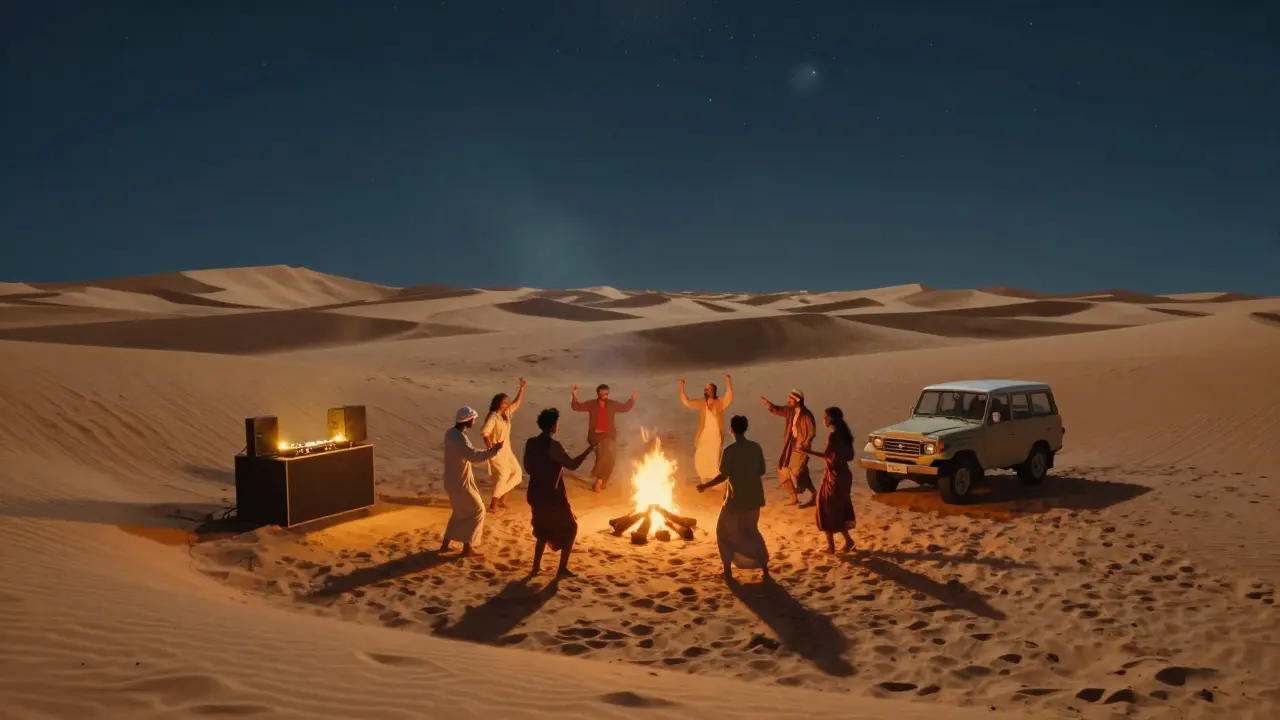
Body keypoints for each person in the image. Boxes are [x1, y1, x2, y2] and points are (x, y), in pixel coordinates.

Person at [523, 407, 595, 578]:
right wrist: (588, 450)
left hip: (535, 493)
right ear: (553, 425)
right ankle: (562, 568)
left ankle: (535, 568)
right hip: (551, 496)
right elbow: (572, 464)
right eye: (557, 422)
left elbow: (528, 467)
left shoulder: (531, 442)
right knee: (571, 527)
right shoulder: (553, 445)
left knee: (543, 530)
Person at [697, 415, 770, 582]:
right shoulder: (755, 447)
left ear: (731, 429)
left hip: (735, 500)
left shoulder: (729, 450)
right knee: (752, 532)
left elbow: (723, 475)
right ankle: (765, 569)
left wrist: (705, 485)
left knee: (724, 533)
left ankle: (727, 570)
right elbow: (762, 470)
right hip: (754, 499)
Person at [440, 406, 502, 556]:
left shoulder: (451, 433)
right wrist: (493, 451)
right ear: (468, 420)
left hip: (453, 479)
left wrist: (489, 451)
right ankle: (468, 548)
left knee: (460, 511)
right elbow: (473, 456)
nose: (475, 421)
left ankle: (445, 544)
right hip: (459, 481)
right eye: (473, 419)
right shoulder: (460, 438)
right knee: (478, 509)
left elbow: (470, 452)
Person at [800, 406, 857, 554]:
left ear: (831, 419)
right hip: (845, 475)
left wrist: (807, 451)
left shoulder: (833, 436)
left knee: (824, 508)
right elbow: (850, 456)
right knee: (837, 509)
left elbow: (828, 457)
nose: (823, 420)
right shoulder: (845, 435)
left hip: (835, 476)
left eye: (825, 417)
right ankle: (848, 541)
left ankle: (831, 546)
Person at [570, 383, 637, 492]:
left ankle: (601, 481)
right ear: (598, 393)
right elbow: (576, 407)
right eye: (603, 393)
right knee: (603, 454)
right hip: (595, 436)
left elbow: (625, 408)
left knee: (612, 458)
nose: (605, 395)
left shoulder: (612, 404)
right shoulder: (592, 404)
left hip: (609, 436)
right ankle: (598, 479)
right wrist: (574, 395)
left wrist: (632, 399)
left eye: (607, 393)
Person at [760, 389, 816, 507]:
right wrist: (768, 405)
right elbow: (778, 409)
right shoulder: (789, 411)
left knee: (797, 473)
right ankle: (794, 497)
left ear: (797, 400)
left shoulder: (807, 415)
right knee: (783, 470)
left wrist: (805, 443)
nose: (788, 401)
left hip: (801, 448)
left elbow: (811, 433)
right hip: (790, 446)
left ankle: (813, 494)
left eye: (791, 399)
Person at [481, 378, 527, 512]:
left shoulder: (506, 414)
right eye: (504, 402)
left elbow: (517, 403)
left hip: (507, 450)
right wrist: (491, 449)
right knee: (504, 474)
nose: (507, 403)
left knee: (517, 473)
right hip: (497, 451)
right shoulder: (493, 417)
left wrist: (522, 389)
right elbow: (484, 433)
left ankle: (501, 498)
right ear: (499, 404)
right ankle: (494, 503)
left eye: (507, 401)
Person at [678, 374, 734, 481]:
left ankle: (716, 480)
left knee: (715, 457)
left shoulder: (719, 403)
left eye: (708, 388)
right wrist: (681, 387)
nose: (706, 390)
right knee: (700, 456)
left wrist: (728, 382)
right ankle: (705, 479)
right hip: (704, 434)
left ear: (713, 390)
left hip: (716, 434)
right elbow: (687, 402)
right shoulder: (701, 403)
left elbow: (729, 397)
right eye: (705, 389)